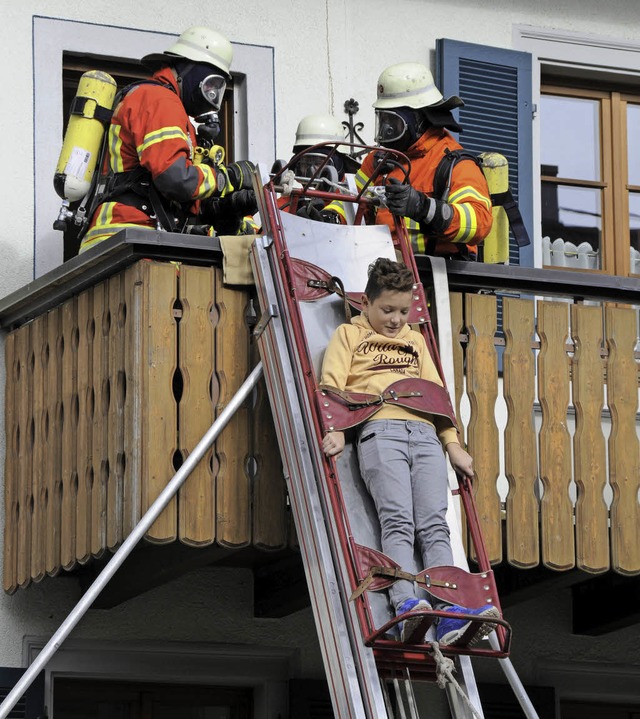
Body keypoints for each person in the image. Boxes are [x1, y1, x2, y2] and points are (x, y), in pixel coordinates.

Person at [320, 257, 500, 645]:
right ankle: (405, 607)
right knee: (398, 520)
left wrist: (452, 444)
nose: (397, 319)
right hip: (379, 433)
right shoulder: (349, 336)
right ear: (365, 303)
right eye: (387, 310)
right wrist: (337, 430)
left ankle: (448, 612)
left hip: (424, 435)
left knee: (435, 525)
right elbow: (330, 386)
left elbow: (436, 397)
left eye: (403, 311)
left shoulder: (415, 341)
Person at [79, 26, 256, 253]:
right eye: (211, 83)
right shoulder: (160, 99)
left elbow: (174, 194)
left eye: (218, 87)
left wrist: (223, 208)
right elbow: (176, 179)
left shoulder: (165, 106)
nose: (213, 93)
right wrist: (228, 178)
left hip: (125, 239)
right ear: (189, 68)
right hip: (129, 237)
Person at [355, 62, 493, 259]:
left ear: (419, 119)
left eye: (393, 122)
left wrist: (423, 207)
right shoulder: (378, 161)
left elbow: (479, 223)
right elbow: (350, 200)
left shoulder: (455, 165)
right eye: (383, 120)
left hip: (437, 277)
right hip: (382, 270)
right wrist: (330, 216)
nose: (386, 129)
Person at [283, 113, 359, 224]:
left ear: (337, 166)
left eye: (318, 163)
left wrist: (333, 218)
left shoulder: (353, 201)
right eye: (306, 163)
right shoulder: (288, 203)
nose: (311, 171)